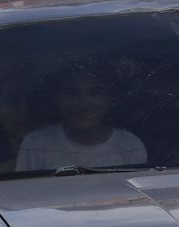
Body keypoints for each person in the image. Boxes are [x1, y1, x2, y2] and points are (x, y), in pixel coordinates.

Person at [15, 64, 146, 172]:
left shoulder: (130, 145)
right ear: (57, 99)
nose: (83, 105)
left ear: (109, 99)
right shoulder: (36, 144)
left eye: (94, 93)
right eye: (72, 93)